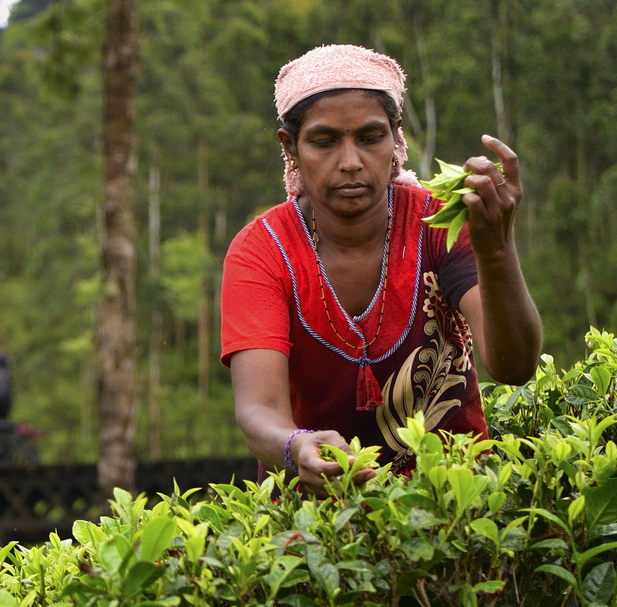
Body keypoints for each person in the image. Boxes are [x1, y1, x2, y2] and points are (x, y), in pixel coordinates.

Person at [220, 44, 543, 494]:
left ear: (395, 138)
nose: (351, 161)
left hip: (453, 508)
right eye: (325, 141)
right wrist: (296, 446)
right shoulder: (262, 251)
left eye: (370, 137)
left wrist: (496, 251)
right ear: (290, 146)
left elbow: (513, 366)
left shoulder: (438, 225)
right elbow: (259, 409)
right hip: (319, 525)